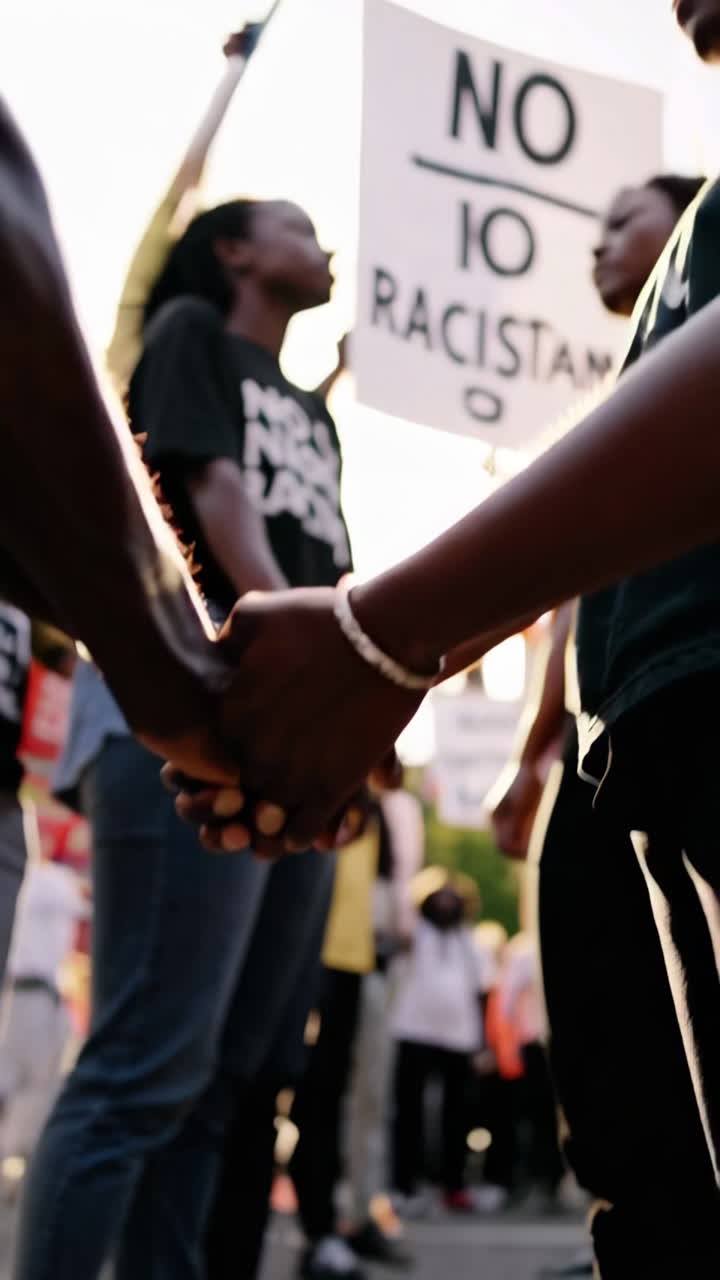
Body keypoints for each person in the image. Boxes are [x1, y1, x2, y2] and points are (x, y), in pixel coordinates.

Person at [15, 174, 359, 1280]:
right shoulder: (186, 331)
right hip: (187, 712)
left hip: (292, 721)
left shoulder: (309, 410)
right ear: (235, 255)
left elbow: (328, 560)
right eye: (299, 228)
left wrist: (350, 700)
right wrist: (321, 658)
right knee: (144, 1067)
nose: (326, 247)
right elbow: (213, 497)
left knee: (228, 1078)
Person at [490, 172, 708, 1277]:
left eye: (624, 219)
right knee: (611, 1022)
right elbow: (579, 583)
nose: (600, 243)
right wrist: (537, 746)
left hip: (672, 706)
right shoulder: (627, 381)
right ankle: (637, 1237)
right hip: (605, 724)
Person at [289, 792, 420, 1280]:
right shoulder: (331, 769)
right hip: (316, 952)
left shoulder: (382, 800)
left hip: (354, 958)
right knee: (309, 1102)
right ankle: (317, 1231)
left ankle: (334, 1225)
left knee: (342, 1102)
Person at [389, 869, 494, 1215]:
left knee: (457, 1117)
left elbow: (482, 992)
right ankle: (405, 1184)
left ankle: (453, 1185)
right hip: (413, 1031)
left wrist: (482, 1041)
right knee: (409, 1114)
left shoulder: (468, 941)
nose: (446, 903)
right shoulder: (413, 933)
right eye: (439, 897)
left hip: (458, 1038)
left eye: (453, 897)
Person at [0, 840, 90, 1172]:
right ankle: (13, 1160)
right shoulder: (49, 879)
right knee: (31, 1084)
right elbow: (87, 897)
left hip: (37, 994)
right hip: (30, 994)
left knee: (23, 1081)